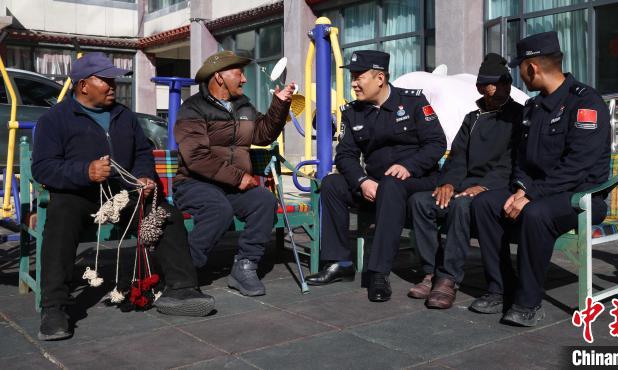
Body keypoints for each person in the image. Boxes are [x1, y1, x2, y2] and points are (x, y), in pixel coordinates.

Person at [32, 52, 214, 342]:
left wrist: (144, 177)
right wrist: (85, 171)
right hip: (78, 195)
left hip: (123, 192)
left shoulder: (124, 116)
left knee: (166, 215)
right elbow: (43, 167)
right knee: (60, 218)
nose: (113, 86)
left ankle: (181, 289)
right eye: (105, 80)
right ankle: (54, 308)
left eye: (113, 80)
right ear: (83, 85)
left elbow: (142, 153)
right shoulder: (54, 120)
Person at [470, 32, 611, 326]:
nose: (519, 76)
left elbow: (578, 166)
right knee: (484, 204)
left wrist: (532, 195)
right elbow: (522, 159)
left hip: (582, 197)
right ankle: (500, 288)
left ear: (531, 68)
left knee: (536, 214)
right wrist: (521, 188)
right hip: (538, 192)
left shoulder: (585, 101)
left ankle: (528, 302)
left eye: (520, 68)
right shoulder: (533, 107)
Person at [306, 50, 447, 302]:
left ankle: (378, 272)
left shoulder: (413, 102)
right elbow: (345, 155)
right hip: (376, 184)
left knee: (392, 184)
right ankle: (339, 263)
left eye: (358, 77)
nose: (353, 83)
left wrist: (409, 166)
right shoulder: (353, 112)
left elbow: (436, 143)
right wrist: (363, 181)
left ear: (380, 78)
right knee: (332, 183)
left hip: (417, 181)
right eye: (352, 77)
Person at [173, 51, 294, 297]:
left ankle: (245, 266)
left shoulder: (244, 106)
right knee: (219, 209)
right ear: (219, 77)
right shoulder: (192, 108)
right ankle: (183, 271)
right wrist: (238, 177)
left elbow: (263, 135)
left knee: (264, 200)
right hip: (195, 184)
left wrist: (279, 105)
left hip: (230, 187)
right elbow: (195, 156)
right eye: (240, 74)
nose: (244, 79)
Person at [408, 53, 523, 309]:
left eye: (502, 83)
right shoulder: (472, 117)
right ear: (480, 87)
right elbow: (457, 157)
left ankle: (448, 278)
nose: (497, 89)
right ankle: (431, 272)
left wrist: (484, 186)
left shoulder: (518, 116)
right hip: (463, 186)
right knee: (420, 202)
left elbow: (513, 160)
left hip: (496, 189)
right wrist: (448, 183)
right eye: (490, 85)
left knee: (462, 205)